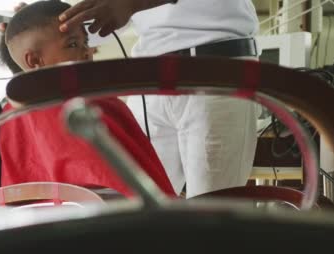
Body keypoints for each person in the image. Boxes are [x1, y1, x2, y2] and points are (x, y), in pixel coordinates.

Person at [57, 0, 261, 198]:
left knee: (212, 210)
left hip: (214, 69)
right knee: (138, 207)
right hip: (149, 83)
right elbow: (106, 19)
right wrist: (49, 25)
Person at [0, 0, 175, 197]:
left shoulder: (14, 111)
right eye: (72, 44)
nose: (86, 51)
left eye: (86, 43)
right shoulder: (83, 107)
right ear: (34, 61)